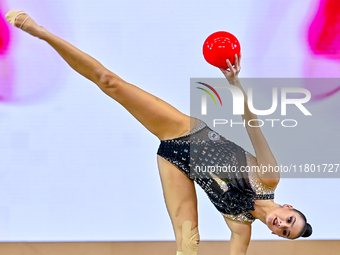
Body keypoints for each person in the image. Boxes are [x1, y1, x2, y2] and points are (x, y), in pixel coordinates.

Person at [5, 10, 312, 255]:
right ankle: (40, 31)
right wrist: (234, 84)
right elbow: (252, 124)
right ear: (288, 208)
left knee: (188, 245)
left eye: (284, 231)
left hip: (175, 166)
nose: (281, 224)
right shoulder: (270, 176)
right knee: (109, 82)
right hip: (185, 134)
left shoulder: (240, 228)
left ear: (274, 234)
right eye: (289, 220)